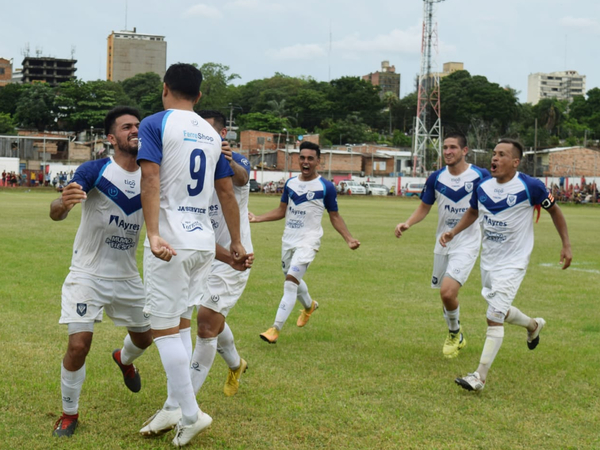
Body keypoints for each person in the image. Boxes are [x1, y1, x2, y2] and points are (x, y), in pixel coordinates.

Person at [137, 63, 245, 447]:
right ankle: (174, 407)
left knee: (162, 330)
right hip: (202, 242)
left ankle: (190, 413)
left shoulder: (155, 123)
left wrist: (152, 234)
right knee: (181, 325)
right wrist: (235, 241)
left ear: (164, 88)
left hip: (171, 241)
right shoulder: (211, 134)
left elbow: (150, 179)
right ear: (199, 96)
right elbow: (227, 193)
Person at [50, 106, 153, 438]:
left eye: (138, 126)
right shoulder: (95, 169)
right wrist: (63, 204)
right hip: (88, 274)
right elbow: (56, 211)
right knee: (79, 345)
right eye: (127, 127)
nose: (135, 130)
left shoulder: (153, 174)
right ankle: (69, 414)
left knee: (145, 338)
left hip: (127, 276)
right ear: (112, 138)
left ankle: (123, 359)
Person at [440, 138, 572, 391]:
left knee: (494, 316)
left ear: (515, 161)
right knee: (499, 309)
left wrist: (566, 245)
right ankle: (533, 325)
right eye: (494, 154)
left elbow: (555, 211)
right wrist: (453, 232)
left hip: (514, 262)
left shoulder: (530, 186)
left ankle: (479, 377)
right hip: (489, 261)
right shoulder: (483, 187)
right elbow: (473, 212)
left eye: (502, 155)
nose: (495, 159)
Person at [250, 141, 360, 344]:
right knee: (292, 278)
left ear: (318, 161)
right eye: (302, 158)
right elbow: (281, 211)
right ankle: (309, 306)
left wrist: (349, 238)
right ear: (298, 160)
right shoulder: (291, 183)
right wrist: (258, 218)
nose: (306, 162)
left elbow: (334, 216)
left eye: (310, 158)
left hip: (309, 242)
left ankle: (275, 329)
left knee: (290, 283)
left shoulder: (325, 186)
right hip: (288, 240)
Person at [394, 133, 490, 358]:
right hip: (442, 243)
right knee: (444, 295)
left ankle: (455, 335)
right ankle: (455, 331)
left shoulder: (480, 175)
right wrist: (408, 223)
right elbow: (424, 207)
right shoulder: (436, 178)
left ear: (464, 150)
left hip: (466, 242)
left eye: (453, 147)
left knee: (448, 292)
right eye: (445, 147)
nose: (447, 151)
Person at [182, 109, 253, 400]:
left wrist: (228, 160)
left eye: (209, 132)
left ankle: (183, 404)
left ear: (223, 135)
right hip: (203, 255)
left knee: (206, 323)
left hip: (234, 258)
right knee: (212, 317)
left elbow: (242, 178)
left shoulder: (235, 161)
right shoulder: (193, 163)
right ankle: (236, 365)